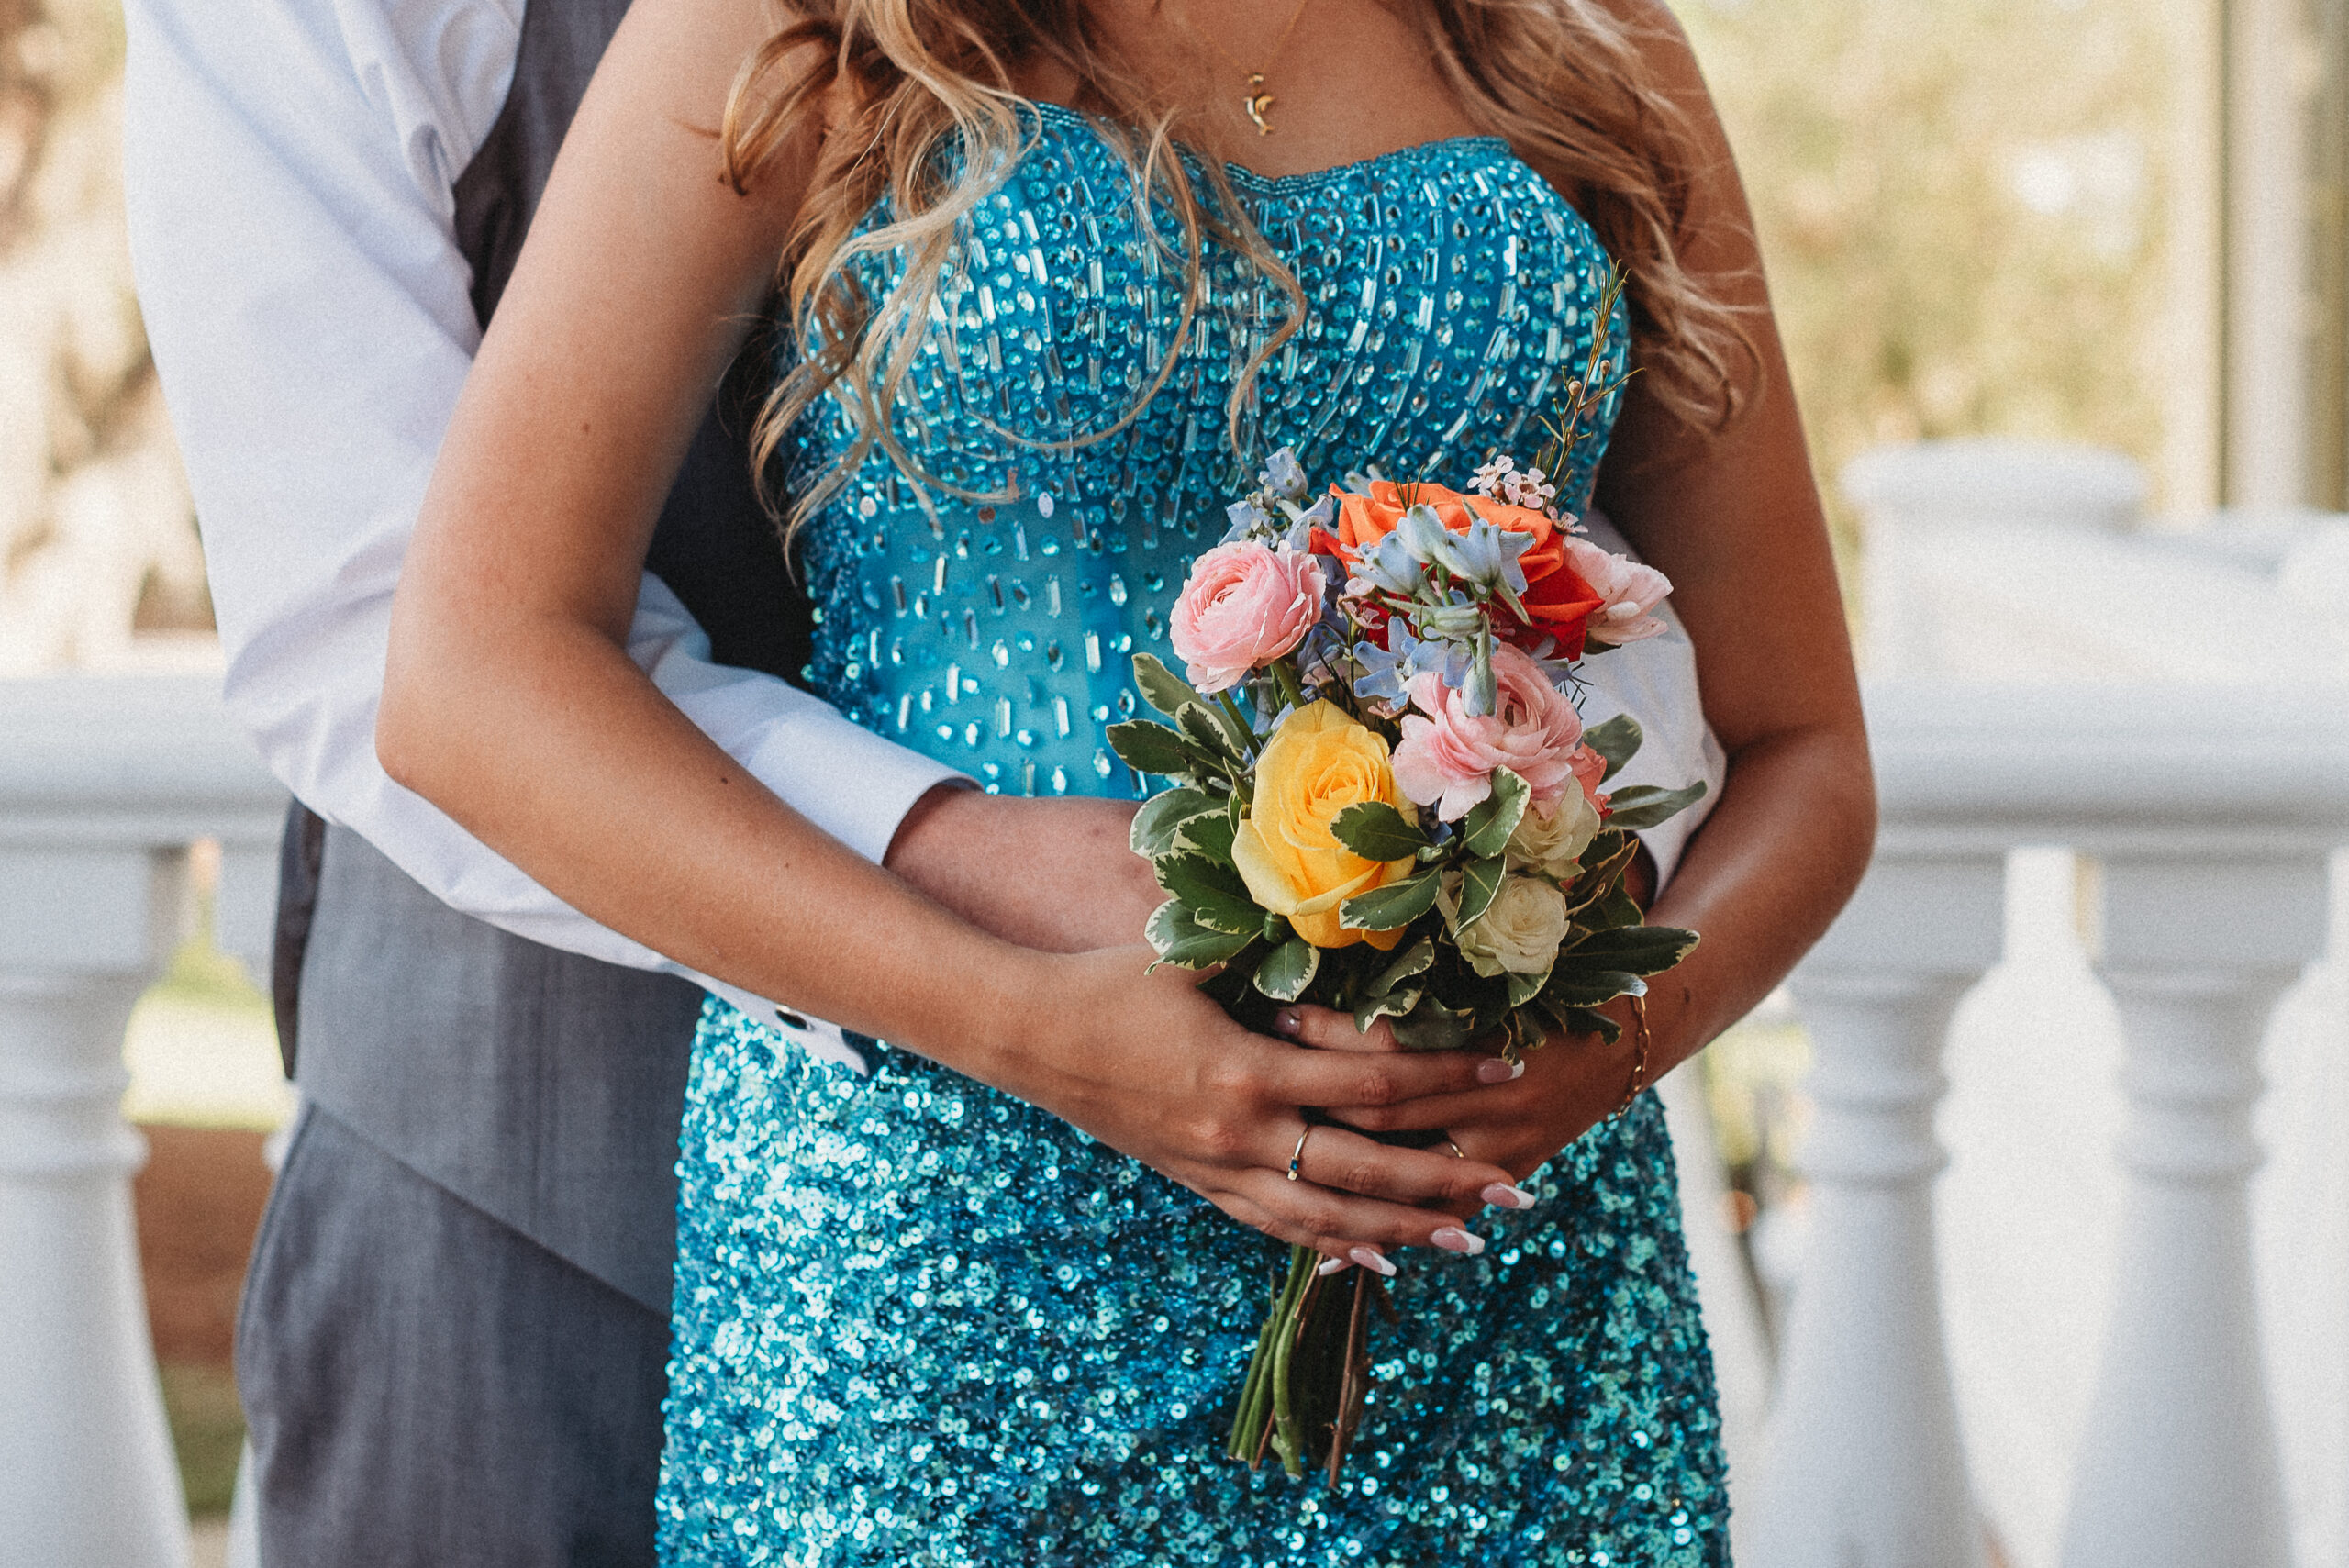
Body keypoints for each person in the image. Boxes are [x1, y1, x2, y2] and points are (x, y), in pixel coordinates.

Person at [125, 0, 1724, 1561]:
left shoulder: (1569, 40)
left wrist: (1564, 996)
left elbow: (1697, 653)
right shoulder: (782, 34)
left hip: (1495, 1286)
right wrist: (1001, 951)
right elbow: (390, 621)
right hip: (789, 1212)